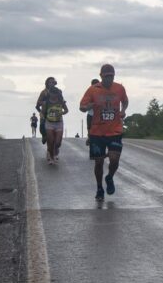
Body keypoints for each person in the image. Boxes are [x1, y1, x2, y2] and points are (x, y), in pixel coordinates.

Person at [80, 64, 128, 201]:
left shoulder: (119, 88)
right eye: (106, 76)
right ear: (101, 76)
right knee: (99, 162)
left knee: (114, 160)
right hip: (97, 132)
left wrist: (123, 110)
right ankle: (99, 188)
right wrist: (88, 106)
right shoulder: (93, 90)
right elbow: (82, 107)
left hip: (115, 130)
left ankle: (110, 177)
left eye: (111, 76)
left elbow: (125, 101)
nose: (109, 79)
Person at [36, 77, 69, 165]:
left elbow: (64, 106)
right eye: (49, 82)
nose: (51, 84)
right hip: (46, 116)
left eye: (53, 82)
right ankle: (45, 140)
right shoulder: (44, 93)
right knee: (48, 137)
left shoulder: (59, 92)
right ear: (46, 83)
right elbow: (37, 105)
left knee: (57, 142)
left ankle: (55, 151)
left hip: (57, 119)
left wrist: (61, 112)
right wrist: (42, 114)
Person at [85, 78, 100, 146]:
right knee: (90, 129)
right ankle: (90, 138)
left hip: (99, 115)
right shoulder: (89, 93)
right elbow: (85, 105)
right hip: (91, 114)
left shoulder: (102, 92)